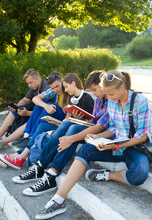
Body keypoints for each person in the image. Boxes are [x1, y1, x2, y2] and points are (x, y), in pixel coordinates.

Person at [33, 70, 152, 220]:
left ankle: (106, 175)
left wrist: (114, 146)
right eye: (107, 95)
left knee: (139, 174)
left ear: (122, 87)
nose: (109, 99)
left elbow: (142, 136)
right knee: (85, 149)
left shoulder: (140, 102)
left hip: (133, 147)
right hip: (115, 144)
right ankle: (58, 200)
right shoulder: (112, 102)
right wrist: (98, 136)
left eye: (111, 95)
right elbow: (113, 128)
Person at [11, 70, 109, 198]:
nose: (94, 93)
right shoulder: (99, 100)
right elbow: (93, 120)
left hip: (98, 134)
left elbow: (98, 126)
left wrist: (73, 133)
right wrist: (77, 119)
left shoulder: (104, 100)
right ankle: (40, 166)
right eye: (93, 90)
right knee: (65, 125)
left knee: (72, 129)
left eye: (95, 90)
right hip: (87, 127)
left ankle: (51, 174)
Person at [0, 72, 94, 169]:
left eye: (62, 87)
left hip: (70, 127)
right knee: (42, 125)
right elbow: (66, 118)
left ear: (71, 84)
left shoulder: (77, 96)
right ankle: (21, 150)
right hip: (63, 123)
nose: (63, 89)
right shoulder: (68, 94)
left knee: (48, 109)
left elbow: (75, 119)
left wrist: (72, 118)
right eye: (54, 88)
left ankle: (19, 155)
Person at [0, 71, 65, 153]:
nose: (55, 89)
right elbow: (31, 99)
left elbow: (48, 110)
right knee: (37, 105)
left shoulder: (51, 87)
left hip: (55, 116)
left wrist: (27, 113)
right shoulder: (51, 89)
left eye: (30, 82)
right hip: (44, 112)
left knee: (44, 106)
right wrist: (18, 107)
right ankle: (24, 135)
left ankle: (28, 137)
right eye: (53, 88)